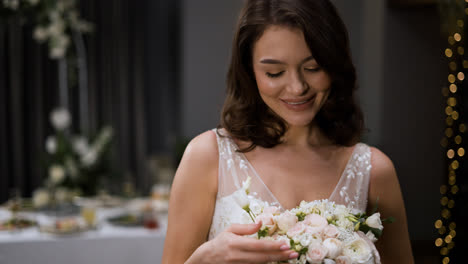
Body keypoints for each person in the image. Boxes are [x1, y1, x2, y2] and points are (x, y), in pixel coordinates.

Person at [162, 0, 414, 263]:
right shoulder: (208, 156)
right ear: (250, 71)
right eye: (275, 72)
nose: (297, 87)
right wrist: (205, 258)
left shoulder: (373, 170)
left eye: (313, 68)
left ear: (334, 64)